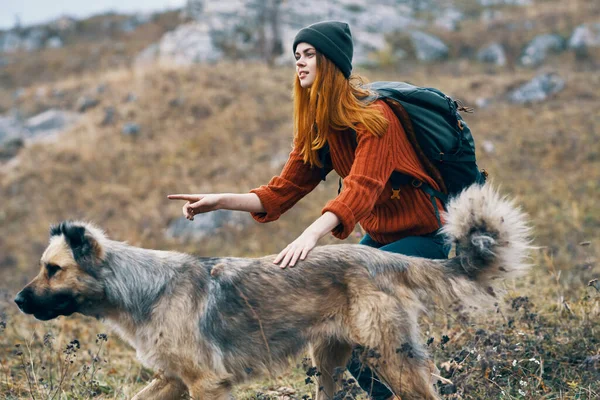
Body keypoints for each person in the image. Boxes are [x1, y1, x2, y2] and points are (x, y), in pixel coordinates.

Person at [168, 20, 448, 400]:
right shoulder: (320, 125)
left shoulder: (378, 118)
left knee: (364, 331)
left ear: (331, 61)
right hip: (380, 239)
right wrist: (220, 201)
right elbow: (280, 192)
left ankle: (416, 388)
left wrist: (310, 235)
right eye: (296, 56)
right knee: (354, 336)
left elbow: (360, 190)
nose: (299, 63)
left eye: (309, 55)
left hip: (426, 236)